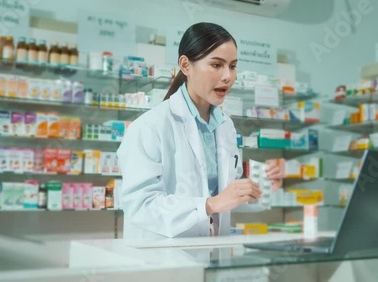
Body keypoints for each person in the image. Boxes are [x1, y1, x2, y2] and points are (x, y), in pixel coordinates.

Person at [117, 22, 283, 240]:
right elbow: (141, 205)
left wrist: (265, 186)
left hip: (212, 250)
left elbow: (226, 198)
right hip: (163, 257)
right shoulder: (150, 126)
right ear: (186, 65)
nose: (228, 76)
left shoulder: (225, 126)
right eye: (216, 65)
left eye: (232, 66)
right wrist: (208, 204)